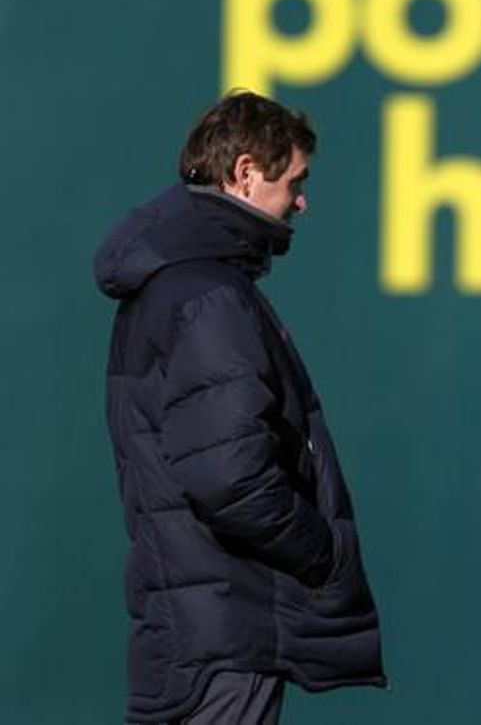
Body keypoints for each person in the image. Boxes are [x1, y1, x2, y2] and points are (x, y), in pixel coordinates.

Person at [94, 92, 387, 723]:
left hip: (190, 627)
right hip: (226, 633)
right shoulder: (207, 295)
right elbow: (227, 475)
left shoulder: (174, 282)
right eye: (294, 182)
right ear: (246, 174)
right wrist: (320, 551)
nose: (302, 202)